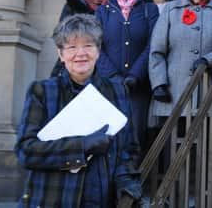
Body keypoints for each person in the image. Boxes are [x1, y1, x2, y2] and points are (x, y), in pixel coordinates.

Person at [15, 14, 141, 207]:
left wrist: (125, 180)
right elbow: (26, 152)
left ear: (98, 51)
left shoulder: (118, 91)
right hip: (54, 199)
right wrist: (82, 146)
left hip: (102, 200)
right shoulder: (42, 91)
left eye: (88, 45)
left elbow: (129, 150)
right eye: (72, 47)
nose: (80, 53)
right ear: (61, 54)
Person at [95, 0, 159, 154]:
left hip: (137, 88)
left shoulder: (150, 10)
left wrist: (134, 75)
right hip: (107, 87)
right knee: (107, 137)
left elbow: (153, 45)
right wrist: (113, 77)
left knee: (135, 138)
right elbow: (95, 47)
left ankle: (131, 181)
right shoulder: (102, 12)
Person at [50, 0, 111, 77]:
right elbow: (60, 37)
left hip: (109, 68)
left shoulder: (116, 7)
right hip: (78, 66)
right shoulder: (72, 7)